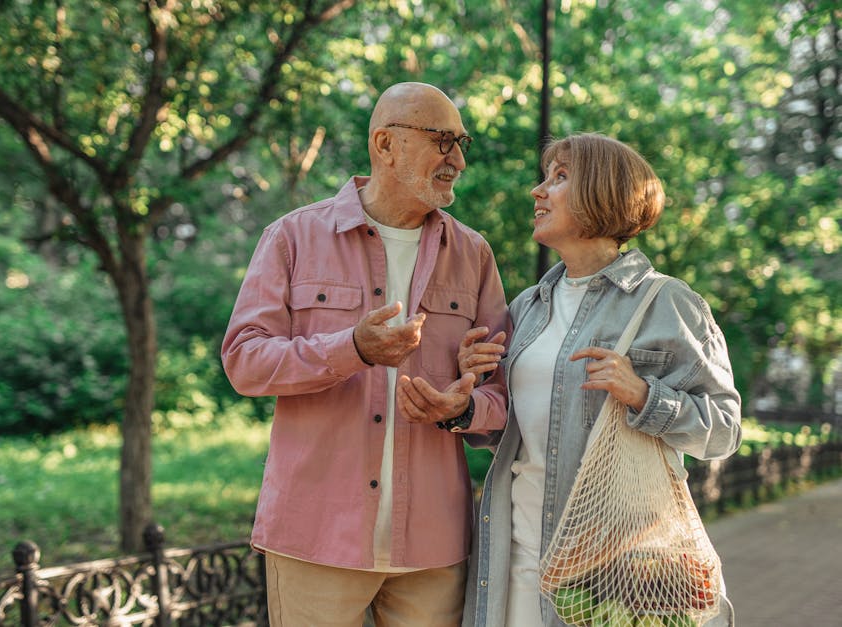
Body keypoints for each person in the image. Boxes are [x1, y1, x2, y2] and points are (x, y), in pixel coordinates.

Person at [220, 82, 511, 626]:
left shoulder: (472, 254)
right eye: (443, 141)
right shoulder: (292, 238)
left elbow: (502, 393)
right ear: (385, 145)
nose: (458, 160)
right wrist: (350, 348)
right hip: (314, 537)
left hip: (434, 544)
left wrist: (465, 409)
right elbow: (244, 360)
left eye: (461, 143)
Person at [459, 133, 742, 627]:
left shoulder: (667, 303)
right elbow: (507, 433)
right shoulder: (528, 306)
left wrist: (644, 395)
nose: (538, 190)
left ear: (601, 193)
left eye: (560, 177)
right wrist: (468, 394)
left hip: (610, 572)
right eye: (546, 175)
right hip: (515, 547)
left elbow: (723, 431)